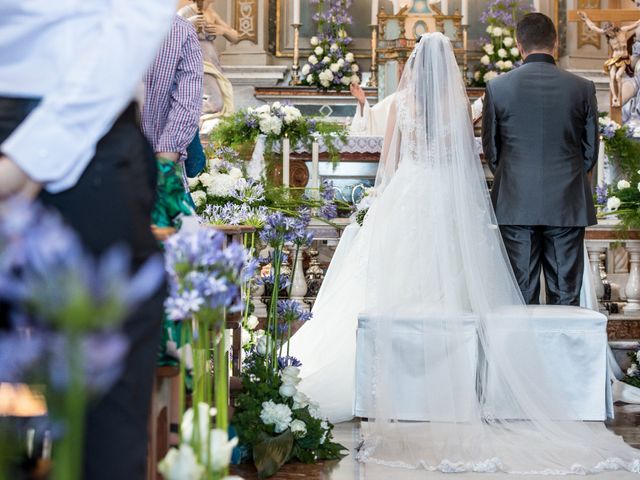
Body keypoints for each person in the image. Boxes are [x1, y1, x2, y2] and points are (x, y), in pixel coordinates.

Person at [291, 31, 640, 473]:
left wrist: (384, 200)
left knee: (392, 283)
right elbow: (476, 158)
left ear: (414, 66)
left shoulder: (401, 105)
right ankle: (482, 383)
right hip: (452, 200)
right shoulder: (458, 106)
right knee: (463, 289)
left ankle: (403, 381)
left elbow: (390, 165)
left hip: (410, 194)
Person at [0, 2, 176, 478]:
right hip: (80, 134)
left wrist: (29, 159)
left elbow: (137, 19)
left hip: (84, 137)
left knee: (99, 430)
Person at [483, 13, 599, 306]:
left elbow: (492, 152)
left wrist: (514, 178)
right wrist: (569, 181)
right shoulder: (582, 88)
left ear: (520, 45)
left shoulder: (498, 88)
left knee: (520, 297)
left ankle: (522, 353)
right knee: (565, 296)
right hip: (566, 203)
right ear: (556, 43)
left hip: (515, 203)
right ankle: (563, 353)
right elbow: (589, 152)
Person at [142, 15, 203, 176]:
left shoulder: (89, 22)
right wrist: (164, 164)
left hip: (91, 169)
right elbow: (186, 106)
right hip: (159, 164)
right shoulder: (180, 29)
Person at [578, 11, 640, 107]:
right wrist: (586, 19)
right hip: (614, 59)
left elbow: (635, 24)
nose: (608, 34)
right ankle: (614, 98)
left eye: (610, 32)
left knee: (618, 76)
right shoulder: (607, 34)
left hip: (623, 59)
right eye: (607, 33)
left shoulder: (623, 31)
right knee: (611, 77)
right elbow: (594, 28)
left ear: (613, 29)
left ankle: (619, 97)